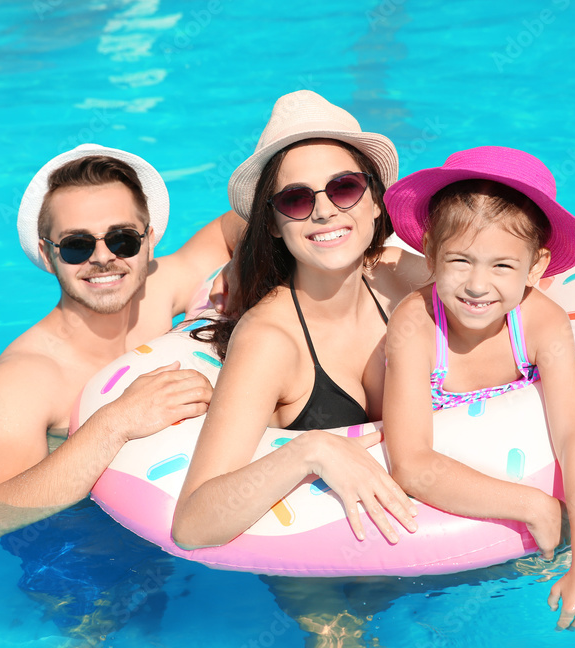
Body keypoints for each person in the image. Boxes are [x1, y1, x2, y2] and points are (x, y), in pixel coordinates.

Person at [171, 90, 428, 551]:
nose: (325, 209)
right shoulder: (269, 341)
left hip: (426, 541)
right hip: (320, 573)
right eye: (295, 199)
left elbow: (519, 274)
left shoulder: (397, 276)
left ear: (374, 201)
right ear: (272, 223)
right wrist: (312, 450)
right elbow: (193, 523)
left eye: (345, 187)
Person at [380, 146, 575, 629]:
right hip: (440, 523)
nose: (477, 285)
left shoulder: (540, 324)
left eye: (502, 266)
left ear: (535, 267)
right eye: (460, 261)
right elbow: (410, 463)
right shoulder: (417, 324)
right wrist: (531, 503)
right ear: (430, 255)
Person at [0, 143, 242, 540]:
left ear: (149, 239)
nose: (103, 258)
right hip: (81, 543)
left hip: (178, 511)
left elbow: (243, 221)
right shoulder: (23, 380)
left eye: (122, 239)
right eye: (77, 245)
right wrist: (116, 422)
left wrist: (244, 266)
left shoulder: (156, 289)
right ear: (48, 253)